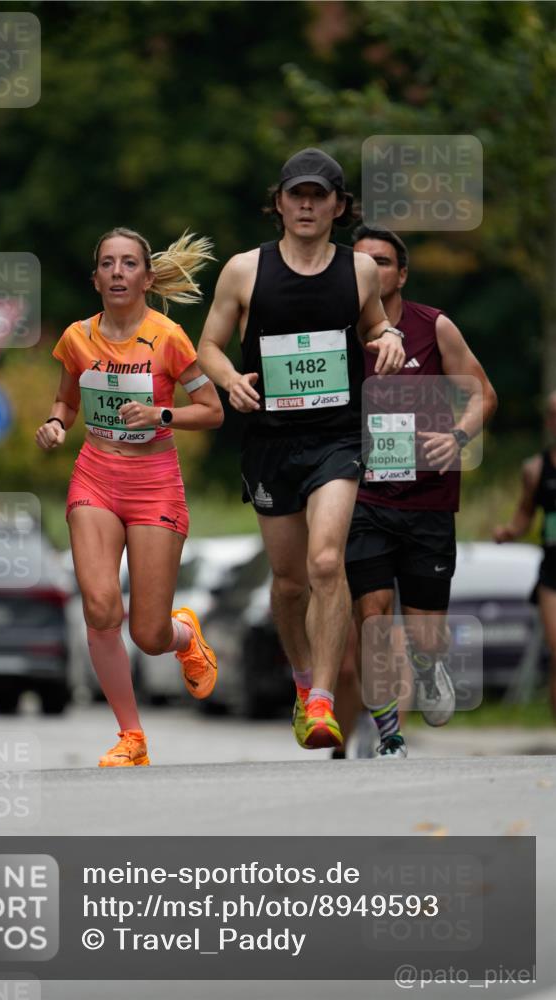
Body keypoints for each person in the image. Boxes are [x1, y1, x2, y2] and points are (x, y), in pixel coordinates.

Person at [198, 148, 405, 752]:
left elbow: (371, 324)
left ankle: (322, 704)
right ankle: (303, 681)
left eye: (320, 196)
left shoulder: (359, 271)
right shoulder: (244, 270)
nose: (307, 205)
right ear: (279, 203)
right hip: (271, 442)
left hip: (338, 437)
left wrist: (387, 336)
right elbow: (209, 344)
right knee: (289, 584)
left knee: (324, 563)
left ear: (339, 206)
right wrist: (230, 380)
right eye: (297, 195)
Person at [36, 228, 224, 767]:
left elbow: (212, 411)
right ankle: (131, 738)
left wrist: (162, 414)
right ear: (95, 277)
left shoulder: (168, 337)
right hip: (95, 477)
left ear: (146, 276)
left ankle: (185, 635)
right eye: (108, 264)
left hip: (155, 484)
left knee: (146, 633)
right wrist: (54, 424)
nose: (118, 272)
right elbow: (64, 402)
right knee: (100, 610)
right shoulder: (77, 338)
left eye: (129, 264)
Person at [345, 224, 498, 757]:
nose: (371, 269)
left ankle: (431, 666)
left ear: (401, 273)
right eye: (361, 261)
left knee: (427, 634)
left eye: (382, 261)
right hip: (364, 497)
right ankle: (389, 734)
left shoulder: (433, 327)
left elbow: (483, 395)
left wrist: (457, 436)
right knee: (373, 614)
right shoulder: (339, 331)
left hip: (429, 500)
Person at [494, 391, 556, 717]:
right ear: (549, 422)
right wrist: (509, 531)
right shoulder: (535, 469)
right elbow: (524, 514)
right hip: (551, 573)